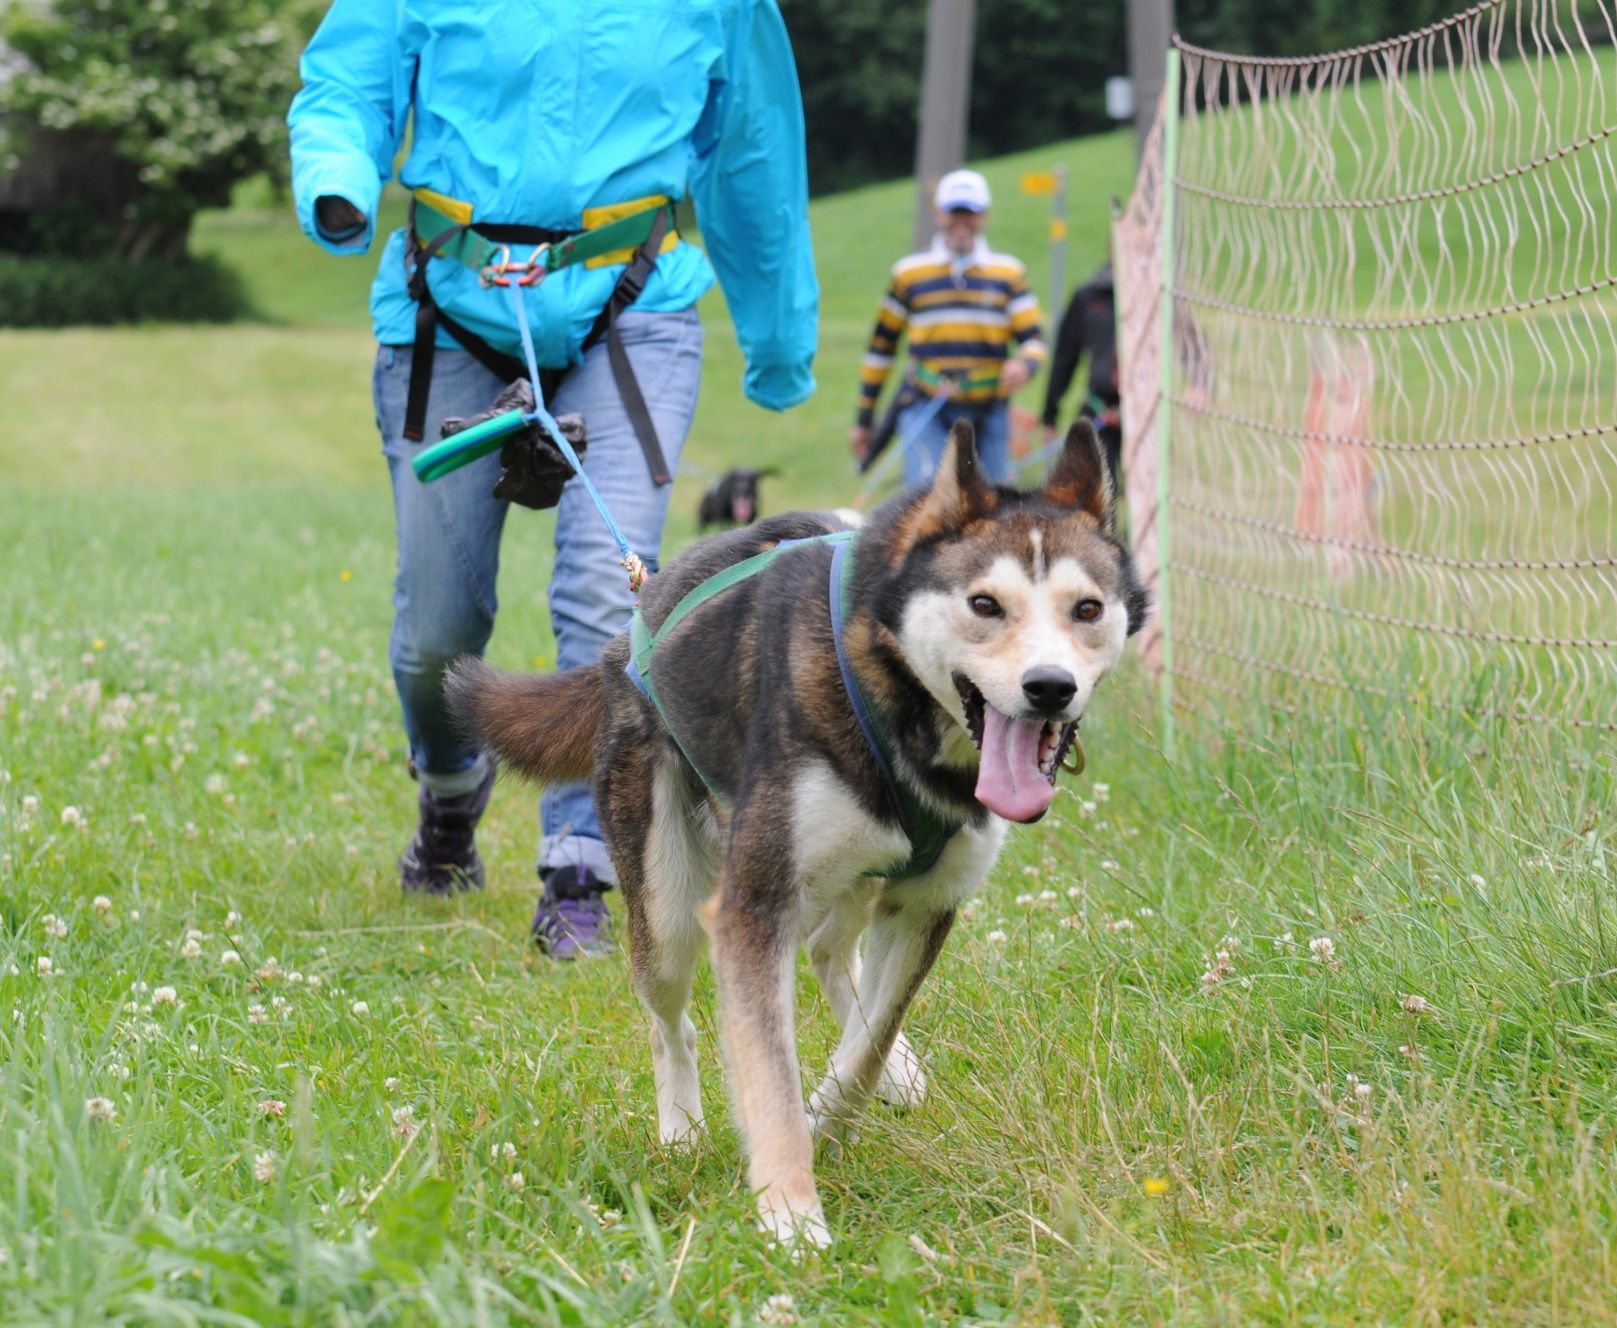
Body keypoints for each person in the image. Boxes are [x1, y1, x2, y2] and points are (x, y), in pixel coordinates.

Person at [287, 0, 818, 960]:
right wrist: (338, 181)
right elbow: (347, 85)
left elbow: (753, 152)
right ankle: (450, 793)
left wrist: (779, 341)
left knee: (604, 596)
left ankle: (580, 865)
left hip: (631, 303)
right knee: (438, 626)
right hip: (446, 305)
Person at [849, 169, 1045, 488]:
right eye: (955, 212)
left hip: (989, 408)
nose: (962, 221)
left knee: (993, 509)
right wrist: (864, 418)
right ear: (939, 214)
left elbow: (1034, 338)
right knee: (928, 500)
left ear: (984, 216)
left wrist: (1026, 365)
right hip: (926, 405)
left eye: (971, 212)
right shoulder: (909, 274)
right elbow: (880, 350)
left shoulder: (1009, 273)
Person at [1040, 259, 1122, 495]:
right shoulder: (1088, 297)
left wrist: (1200, 384)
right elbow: (1065, 357)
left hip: (1147, 415)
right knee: (1096, 494)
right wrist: (1050, 415)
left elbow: (1191, 343)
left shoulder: (1163, 294)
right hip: (1101, 410)